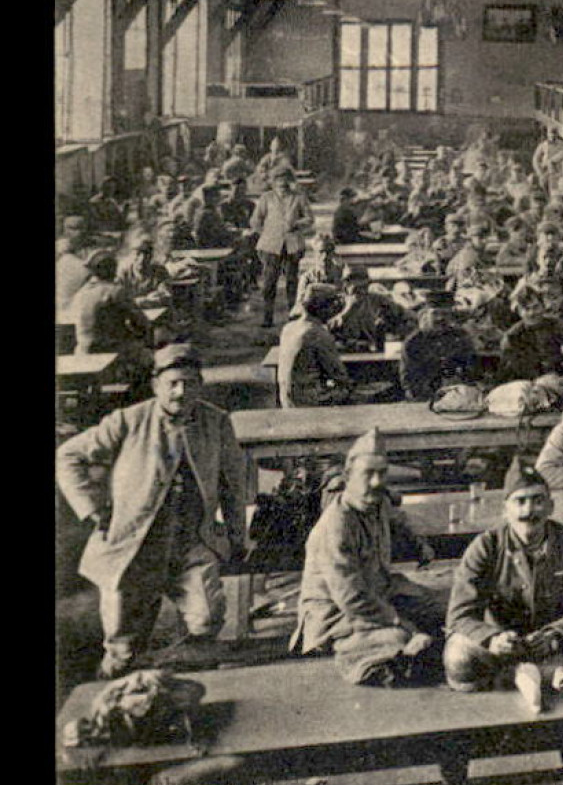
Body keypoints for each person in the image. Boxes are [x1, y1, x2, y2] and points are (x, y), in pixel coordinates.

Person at [56, 344, 244, 678]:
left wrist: (235, 535)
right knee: (122, 647)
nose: (181, 391)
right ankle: (111, 691)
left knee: (206, 619)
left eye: (189, 382)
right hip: (135, 548)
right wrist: (93, 510)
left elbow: (233, 485)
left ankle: (197, 685)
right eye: (172, 383)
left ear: (200, 384)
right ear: (156, 385)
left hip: (192, 545)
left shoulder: (216, 422)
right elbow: (68, 456)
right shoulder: (128, 421)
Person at [444, 462, 563, 737]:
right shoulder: (486, 547)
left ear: (551, 506)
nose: (529, 511)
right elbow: (459, 614)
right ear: (505, 510)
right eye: (520, 502)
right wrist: (491, 639)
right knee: (459, 660)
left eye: (538, 501)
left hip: (557, 647)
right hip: (501, 650)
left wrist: (556, 634)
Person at [293, 429, 442, 687]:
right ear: (348, 477)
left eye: (381, 473)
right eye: (367, 474)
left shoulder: (377, 501)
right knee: (399, 638)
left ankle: (404, 645)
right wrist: (401, 622)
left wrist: (420, 544)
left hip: (378, 591)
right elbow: (351, 598)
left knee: (440, 607)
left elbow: (398, 517)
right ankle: (365, 653)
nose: (376, 482)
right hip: (335, 613)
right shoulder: (336, 526)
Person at [69, 249, 154, 392]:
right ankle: (138, 398)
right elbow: (141, 322)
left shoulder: (80, 294)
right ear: (110, 270)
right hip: (111, 349)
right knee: (150, 357)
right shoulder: (116, 292)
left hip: (83, 350)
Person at [249, 168, 315, 327]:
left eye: (285, 179)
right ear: (273, 181)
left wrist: (297, 224)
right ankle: (268, 316)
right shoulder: (266, 198)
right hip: (271, 246)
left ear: (290, 181)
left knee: (292, 281)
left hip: (292, 245)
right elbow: (255, 220)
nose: (282, 183)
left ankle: (293, 315)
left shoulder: (298, 198)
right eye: (278, 179)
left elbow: (309, 218)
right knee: (269, 281)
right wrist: (266, 233)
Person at [277, 284, 353, 409]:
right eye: (332, 305)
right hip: (310, 402)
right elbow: (340, 376)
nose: (335, 309)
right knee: (352, 391)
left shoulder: (288, 328)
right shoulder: (318, 334)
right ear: (323, 309)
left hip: (287, 399)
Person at [400, 289, 478, 399]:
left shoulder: (461, 336)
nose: (440, 318)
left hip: (458, 395)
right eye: (435, 313)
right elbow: (409, 381)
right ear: (426, 314)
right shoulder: (414, 342)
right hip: (425, 397)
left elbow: (472, 369)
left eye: (445, 314)